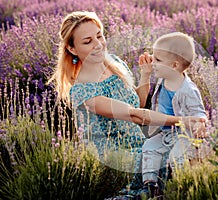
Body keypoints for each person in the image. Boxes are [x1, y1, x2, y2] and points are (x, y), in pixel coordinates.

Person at [48, 11, 205, 198]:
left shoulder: (115, 63)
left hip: (139, 144)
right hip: (115, 157)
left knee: (190, 146)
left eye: (100, 36)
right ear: (72, 49)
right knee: (176, 156)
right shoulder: (83, 91)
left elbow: (135, 103)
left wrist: (145, 75)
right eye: (87, 41)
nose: (98, 44)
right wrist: (184, 120)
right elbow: (134, 115)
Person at [138, 32, 207, 198]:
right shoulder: (164, 79)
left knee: (178, 157)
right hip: (166, 133)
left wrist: (199, 126)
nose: (153, 62)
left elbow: (199, 113)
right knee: (149, 147)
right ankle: (151, 185)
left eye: (158, 60)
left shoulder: (188, 90)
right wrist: (146, 72)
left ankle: (182, 186)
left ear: (174, 66)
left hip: (184, 135)